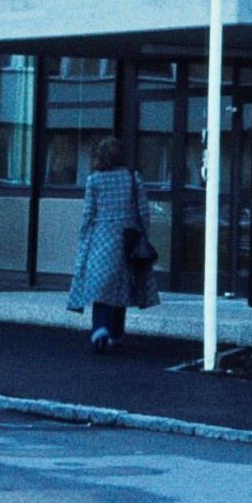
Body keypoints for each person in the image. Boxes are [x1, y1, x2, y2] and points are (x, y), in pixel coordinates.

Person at [67, 135, 157, 351]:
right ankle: (116, 333)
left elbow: (88, 214)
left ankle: (100, 328)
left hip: (100, 236)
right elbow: (144, 211)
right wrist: (144, 234)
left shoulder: (94, 180)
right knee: (121, 288)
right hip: (128, 238)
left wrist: (84, 240)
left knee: (101, 287)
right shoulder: (132, 177)